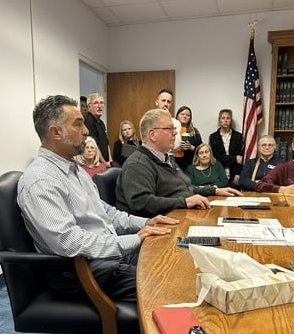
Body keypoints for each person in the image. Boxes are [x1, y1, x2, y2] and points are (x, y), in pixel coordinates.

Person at [17, 95, 177, 305]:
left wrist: (145, 223)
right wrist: (134, 239)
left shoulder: (75, 169)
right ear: (56, 132)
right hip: (81, 270)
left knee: (173, 260)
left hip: (105, 257)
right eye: (78, 124)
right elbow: (69, 242)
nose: (86, 131)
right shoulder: (41, 180)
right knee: (169, 286)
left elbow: (105, 212)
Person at [116, 108, 242, 217]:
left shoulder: (166, 159)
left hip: (183, 214)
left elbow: (186, 187)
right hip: (161, 228)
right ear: (152, 135)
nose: (175, 132)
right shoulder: (138, 164)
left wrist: (214, 191)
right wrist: (185, 202)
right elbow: (141, 202)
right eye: (170, 128)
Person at [209, 108, 245, 186]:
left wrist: (238, 174)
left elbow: (240, 158)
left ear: (231, 120)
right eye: (223, 118)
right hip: (219, 173)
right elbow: (217, 157)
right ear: (219, 120)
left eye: (228, 118)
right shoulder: (213, 137)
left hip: (234, 173)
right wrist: (235, 158)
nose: (225, 120)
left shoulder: (238, 136)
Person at [84, 92, 112, 164]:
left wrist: (110, 160)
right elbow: (94, 145)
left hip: (106, 163)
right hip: (96, 164)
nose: (100, 106)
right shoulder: (88, 120)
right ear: (89, 107)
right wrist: (104, 163)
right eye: (96, 103)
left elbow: (106, 143)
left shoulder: (101, 123)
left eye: (102, 103)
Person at [172, 105, 203, 171]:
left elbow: (201, 149)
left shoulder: (195, 132)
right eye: (182, 114)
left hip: (190, 165)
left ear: (190, 118)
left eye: (188, 115)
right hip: (174, 163)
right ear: (177, 116)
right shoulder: (172, 130)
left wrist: (191, 147)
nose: (185, 116)